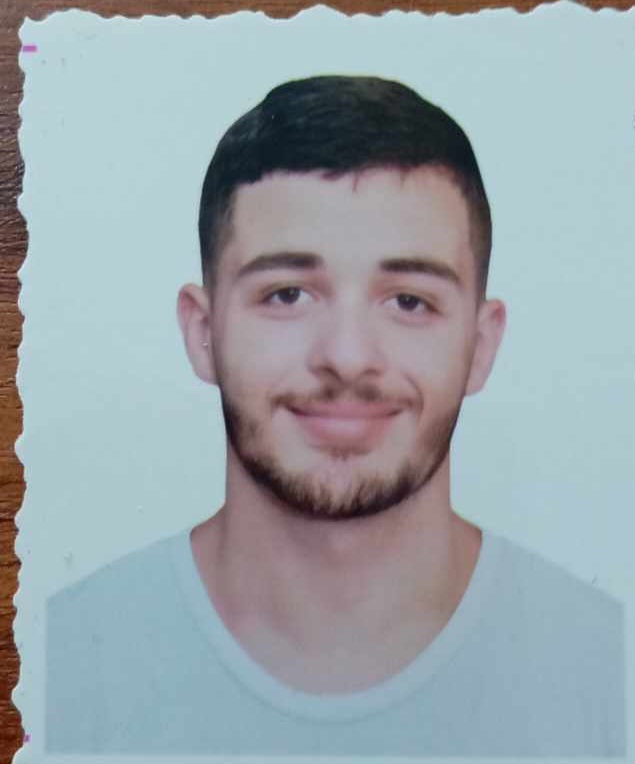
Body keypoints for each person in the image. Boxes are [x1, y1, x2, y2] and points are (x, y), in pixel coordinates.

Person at [47, 76, 625, 756]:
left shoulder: (608, 670)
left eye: (408, 301)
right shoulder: (58, 663)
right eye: (288, 294)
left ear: (480, 344)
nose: (348, 358)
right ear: (202, 333)